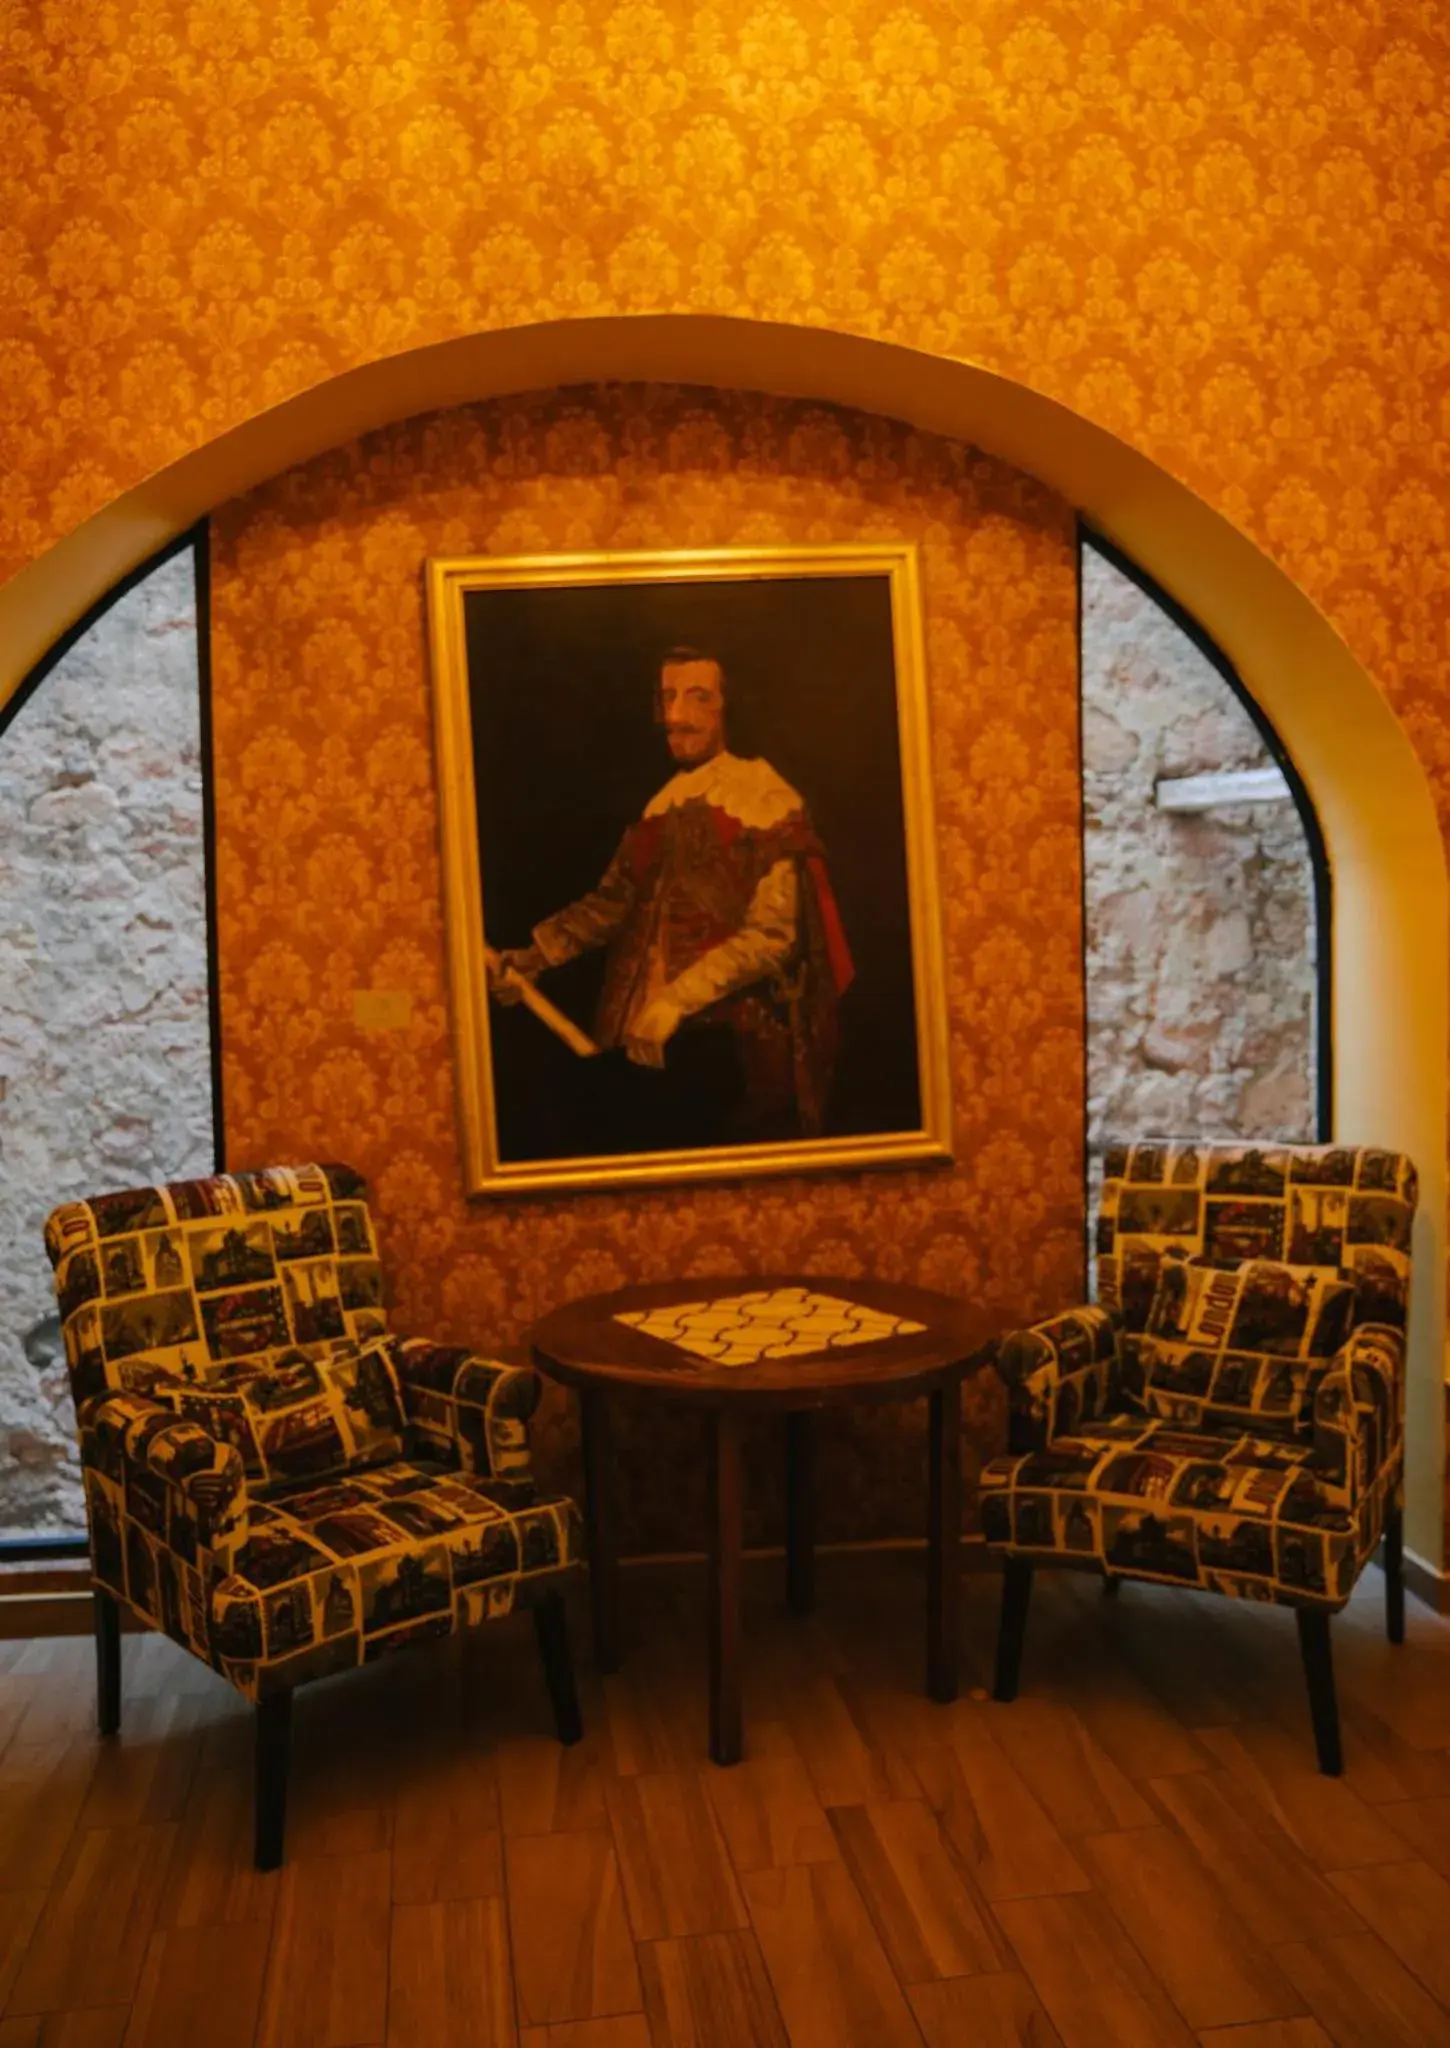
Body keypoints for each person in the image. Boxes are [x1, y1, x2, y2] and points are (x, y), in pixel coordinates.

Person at [491, 645, 853, 1145]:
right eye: (668, 699)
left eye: (698, 697)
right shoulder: (661, 805)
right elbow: (612, 903)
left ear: (730, 705)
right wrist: (533, 958)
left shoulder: (767, 799)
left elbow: (774, 935)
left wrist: (674, 1002)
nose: (676, 717)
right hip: (636, 1044)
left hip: (726, 1046)